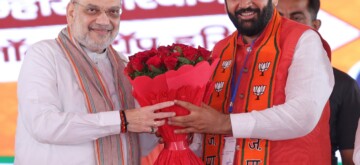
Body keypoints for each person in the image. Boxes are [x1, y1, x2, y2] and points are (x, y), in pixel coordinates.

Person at [167, 0, 334, 164]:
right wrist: (184, 129)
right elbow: (208, 124)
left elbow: (303, 115)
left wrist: (224, 123)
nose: (245, 4)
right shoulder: (220, 50)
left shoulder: (303, 39)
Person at [14, 0, 176, 164]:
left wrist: (163, 125)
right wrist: (122, 120)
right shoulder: (44, 54)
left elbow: (136, 141)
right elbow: (43, 125)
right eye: (92, 10)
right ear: (71, 13)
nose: (104, 21)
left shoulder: (124, 65)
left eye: (113, 12)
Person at [276, 0, 360, 164]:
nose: (285, 25)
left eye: (297, 17)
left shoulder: (343, 85)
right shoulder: (249, 77)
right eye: (278, 18)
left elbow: (350, 158)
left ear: (315, 25)